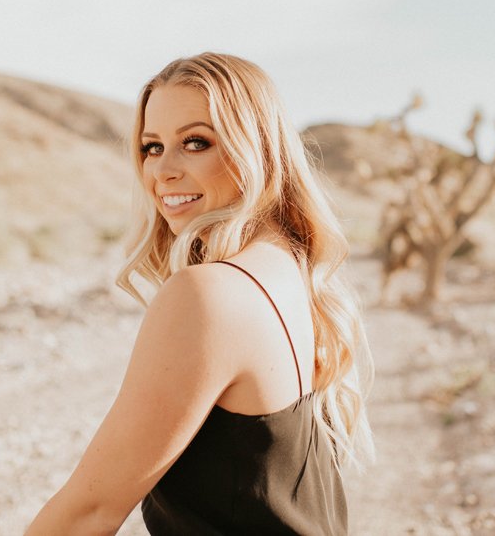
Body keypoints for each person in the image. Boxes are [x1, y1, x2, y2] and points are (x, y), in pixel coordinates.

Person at [25, 53, 374, 535]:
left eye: (195, 142)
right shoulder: (290, 269)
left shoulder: (209, 293)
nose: (162, 171)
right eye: (152, 147)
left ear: (257, 150)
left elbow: (90, 511)